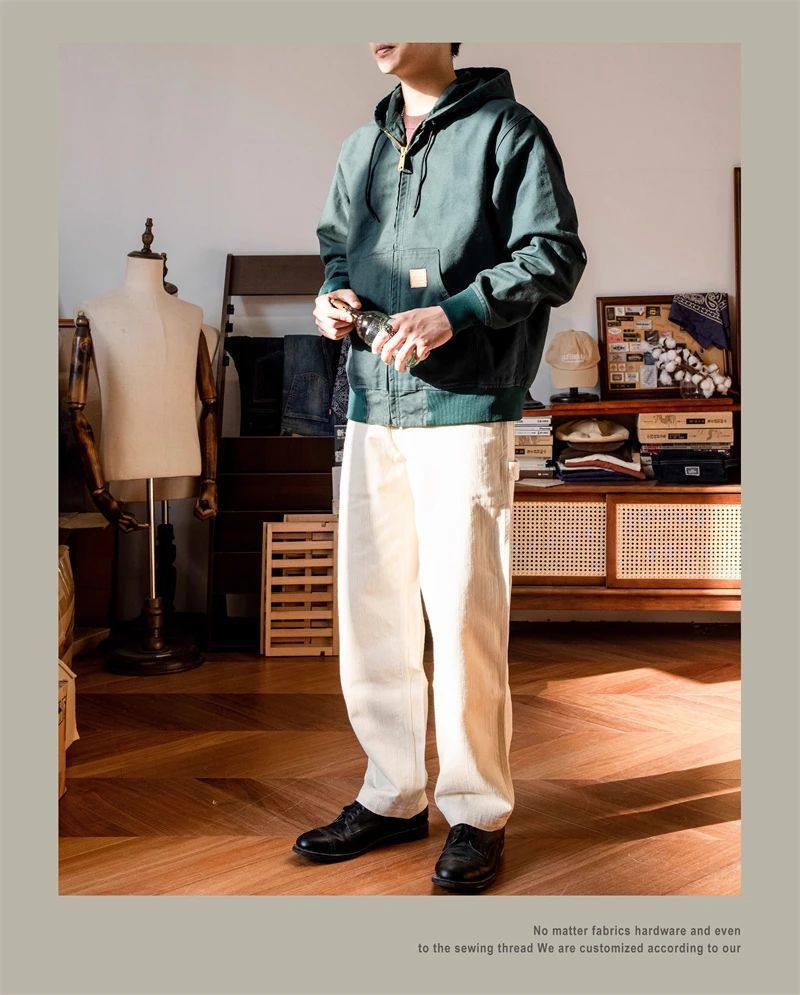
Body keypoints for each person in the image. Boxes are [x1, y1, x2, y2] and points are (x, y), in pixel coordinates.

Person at [293, 42, 586, 892]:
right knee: (373, 611)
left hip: (466, 407)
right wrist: (333, 296)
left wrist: (456, 313)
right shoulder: (362, 145)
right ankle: (391, 795)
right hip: (371, 403)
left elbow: (554, 254)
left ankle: (477, 810)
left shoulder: (510, 132)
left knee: (462, 615)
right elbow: (337, 247)